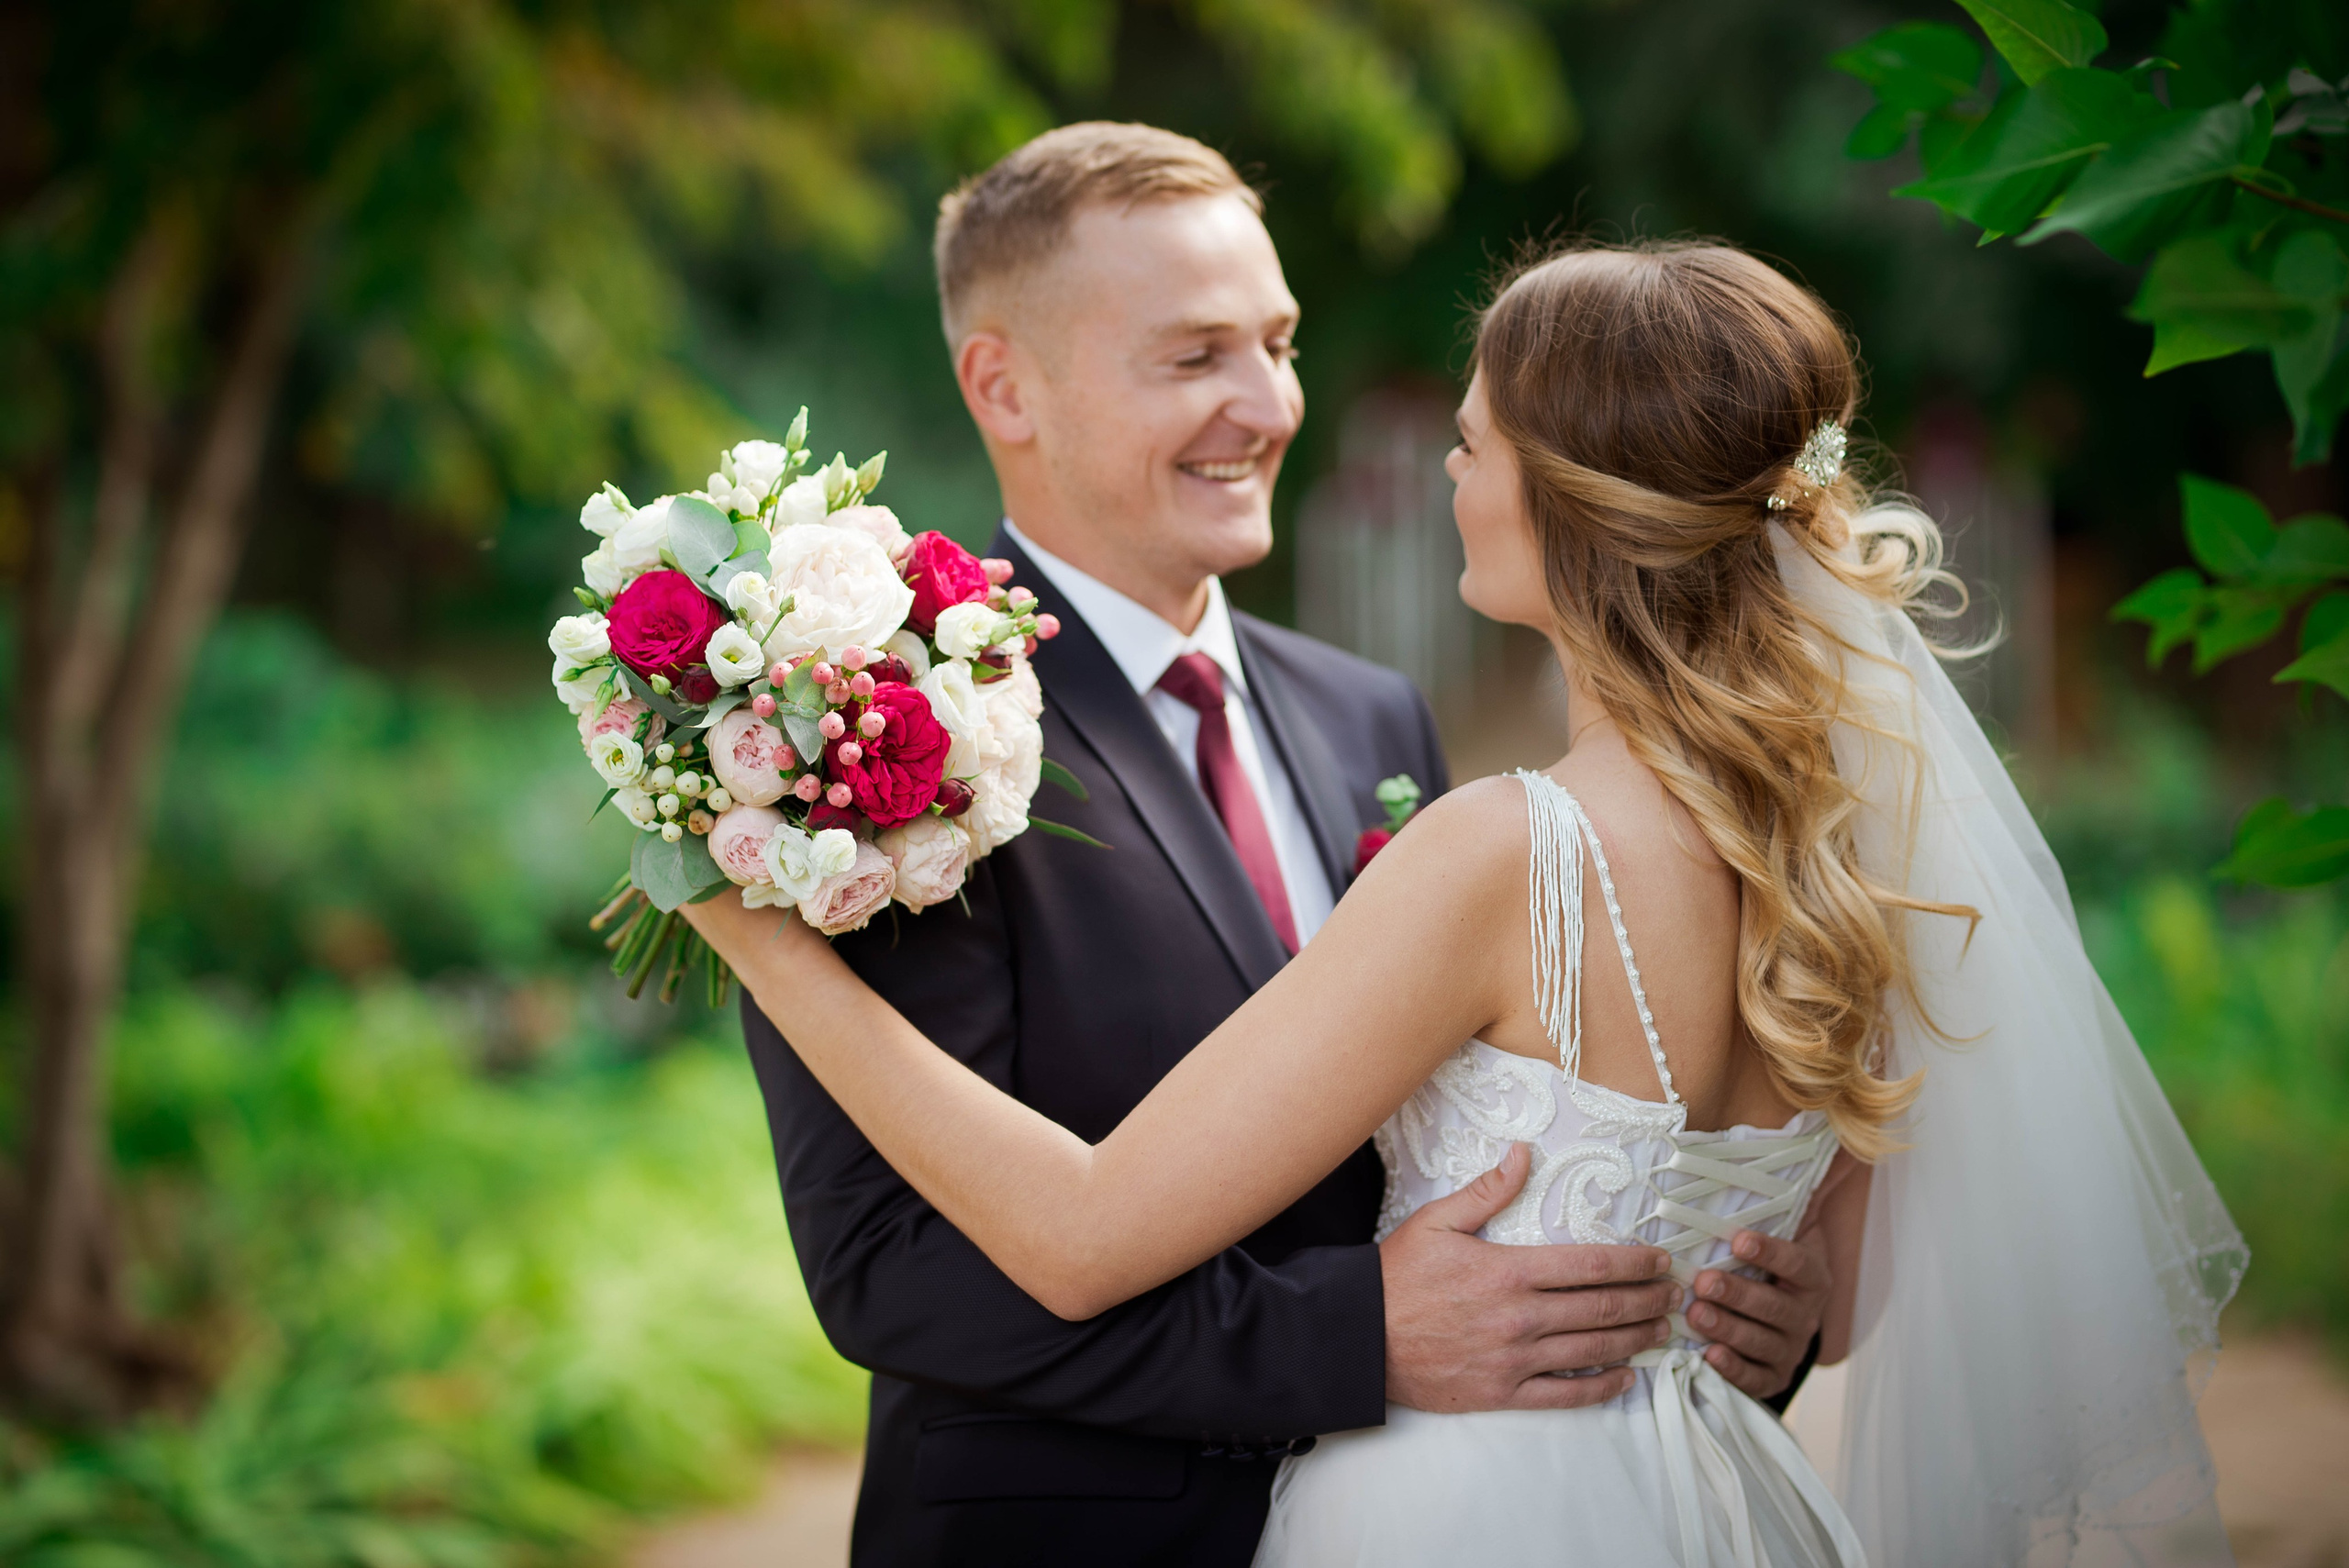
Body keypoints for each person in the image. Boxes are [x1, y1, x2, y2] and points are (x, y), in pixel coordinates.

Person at [697, 237, 2247, 1564]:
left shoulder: (1509, 851)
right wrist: (1781, 1317)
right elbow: (1833, 1301)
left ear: (1573, 503)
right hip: (1718, 1504)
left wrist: (753, 932)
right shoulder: (1846, 850)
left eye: (1476, 443)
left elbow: (1085, 1233)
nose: (1449, 471)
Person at [737, 126, 1831, 1567]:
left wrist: (1742, 1308)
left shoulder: (1368, 715)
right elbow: (891, 1266)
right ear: (1003, 384)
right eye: (1195, 358)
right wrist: (1348, 1336)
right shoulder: (874, 743)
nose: (1268, 404)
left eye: (1280, 341)